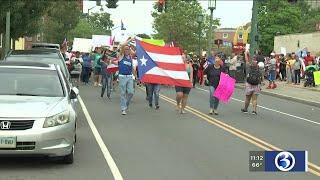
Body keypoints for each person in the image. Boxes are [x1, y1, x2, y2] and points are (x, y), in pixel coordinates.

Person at [113, 37, 136, 115]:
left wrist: (135, 76)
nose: (127, 50)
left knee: (131, 92)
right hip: (122, 76)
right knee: (123, 93)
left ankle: (126, 104)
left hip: (129, 76)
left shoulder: (130, 57)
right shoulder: (121, 56)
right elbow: (122, 45)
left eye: (128, 49)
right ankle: (123, 108)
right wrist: (130, 40)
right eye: (125, 49)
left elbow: (132, 67)